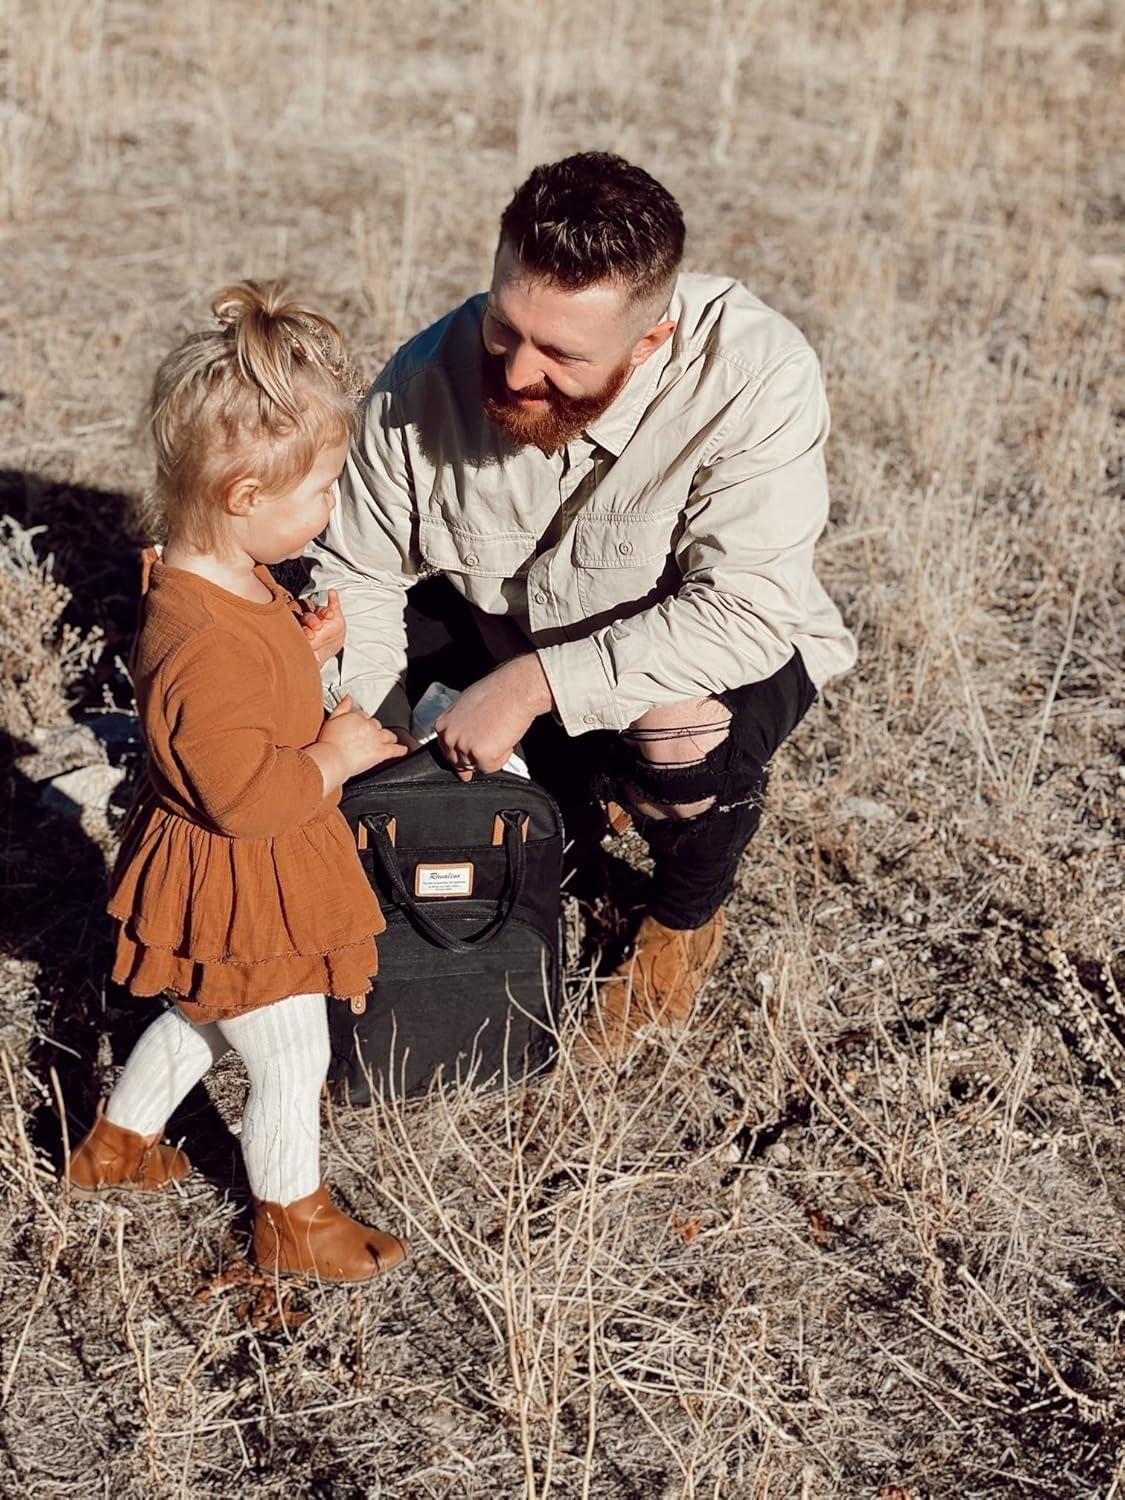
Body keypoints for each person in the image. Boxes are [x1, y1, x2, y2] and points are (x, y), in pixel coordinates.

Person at [308, 152, 857, 1061]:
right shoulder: (422, 379)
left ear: (649, 341)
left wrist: (530, 687)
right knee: (299, 661)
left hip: (709, 661)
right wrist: (379, 742)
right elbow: (356, 571)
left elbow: (745, 612)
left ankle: (679, 928)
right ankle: (583, 788)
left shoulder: (756, 372)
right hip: (507, 630)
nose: (516, 371)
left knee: (679, 739)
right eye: (503, 324)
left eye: (562, 354)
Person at [67, 282, 410, 1283]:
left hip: (225, 872)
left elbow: (243, 701)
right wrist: (337, 754)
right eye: (323, 491)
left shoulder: (221, 579)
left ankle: (114, 1150)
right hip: (242, 876)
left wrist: (304, 652)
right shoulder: (201, 643)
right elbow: (246, 796)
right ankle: (291, 1223)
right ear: (245, 497)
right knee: (291, 1053)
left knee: (205, 1019)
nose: (332, 508)